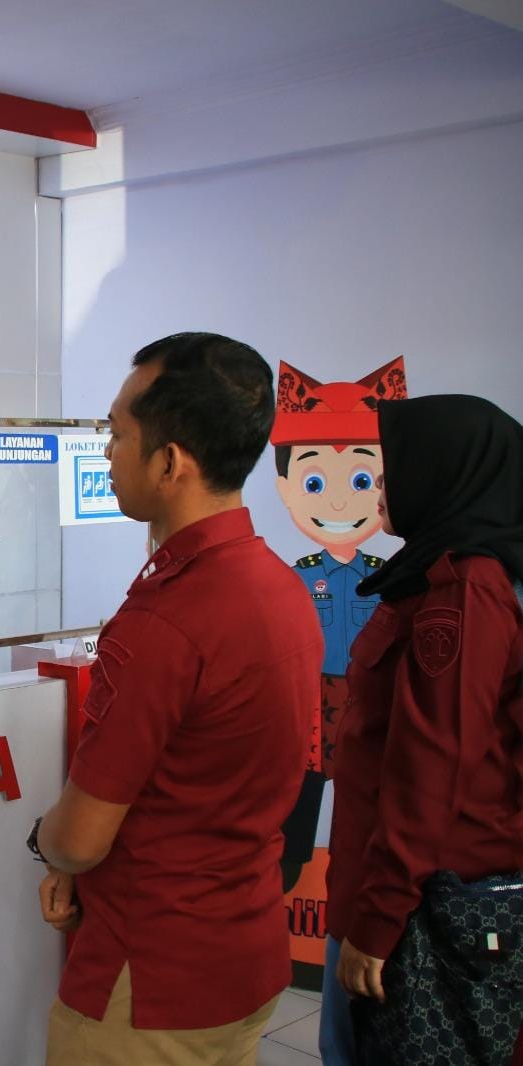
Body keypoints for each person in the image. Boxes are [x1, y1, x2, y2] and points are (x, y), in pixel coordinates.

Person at [31, 332, 323, 1065]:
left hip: (151, 983)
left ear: (170, 463)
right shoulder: (281, 587)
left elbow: (80, 838)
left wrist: (48, 843)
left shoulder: (166, 621)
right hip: (246, 955)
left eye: (117, 434)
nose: (106, 455)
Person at [327, 394, 523, 1064]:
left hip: (421, 909)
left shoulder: (467, 589)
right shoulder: (435, 573)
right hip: (392, 889)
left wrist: (377, 920)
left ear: (446, 470)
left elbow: (431, 769)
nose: (382, 484)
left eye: (396, 466)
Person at [269, 357, 407, 1066]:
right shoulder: (298, 579)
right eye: (317, 482)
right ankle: (271, 932)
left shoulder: (392, 580)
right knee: (292, 824)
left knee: (365, 826)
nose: (342, 501)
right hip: (308, 707)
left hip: (366, 702)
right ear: (287, 487)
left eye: (363, 480)